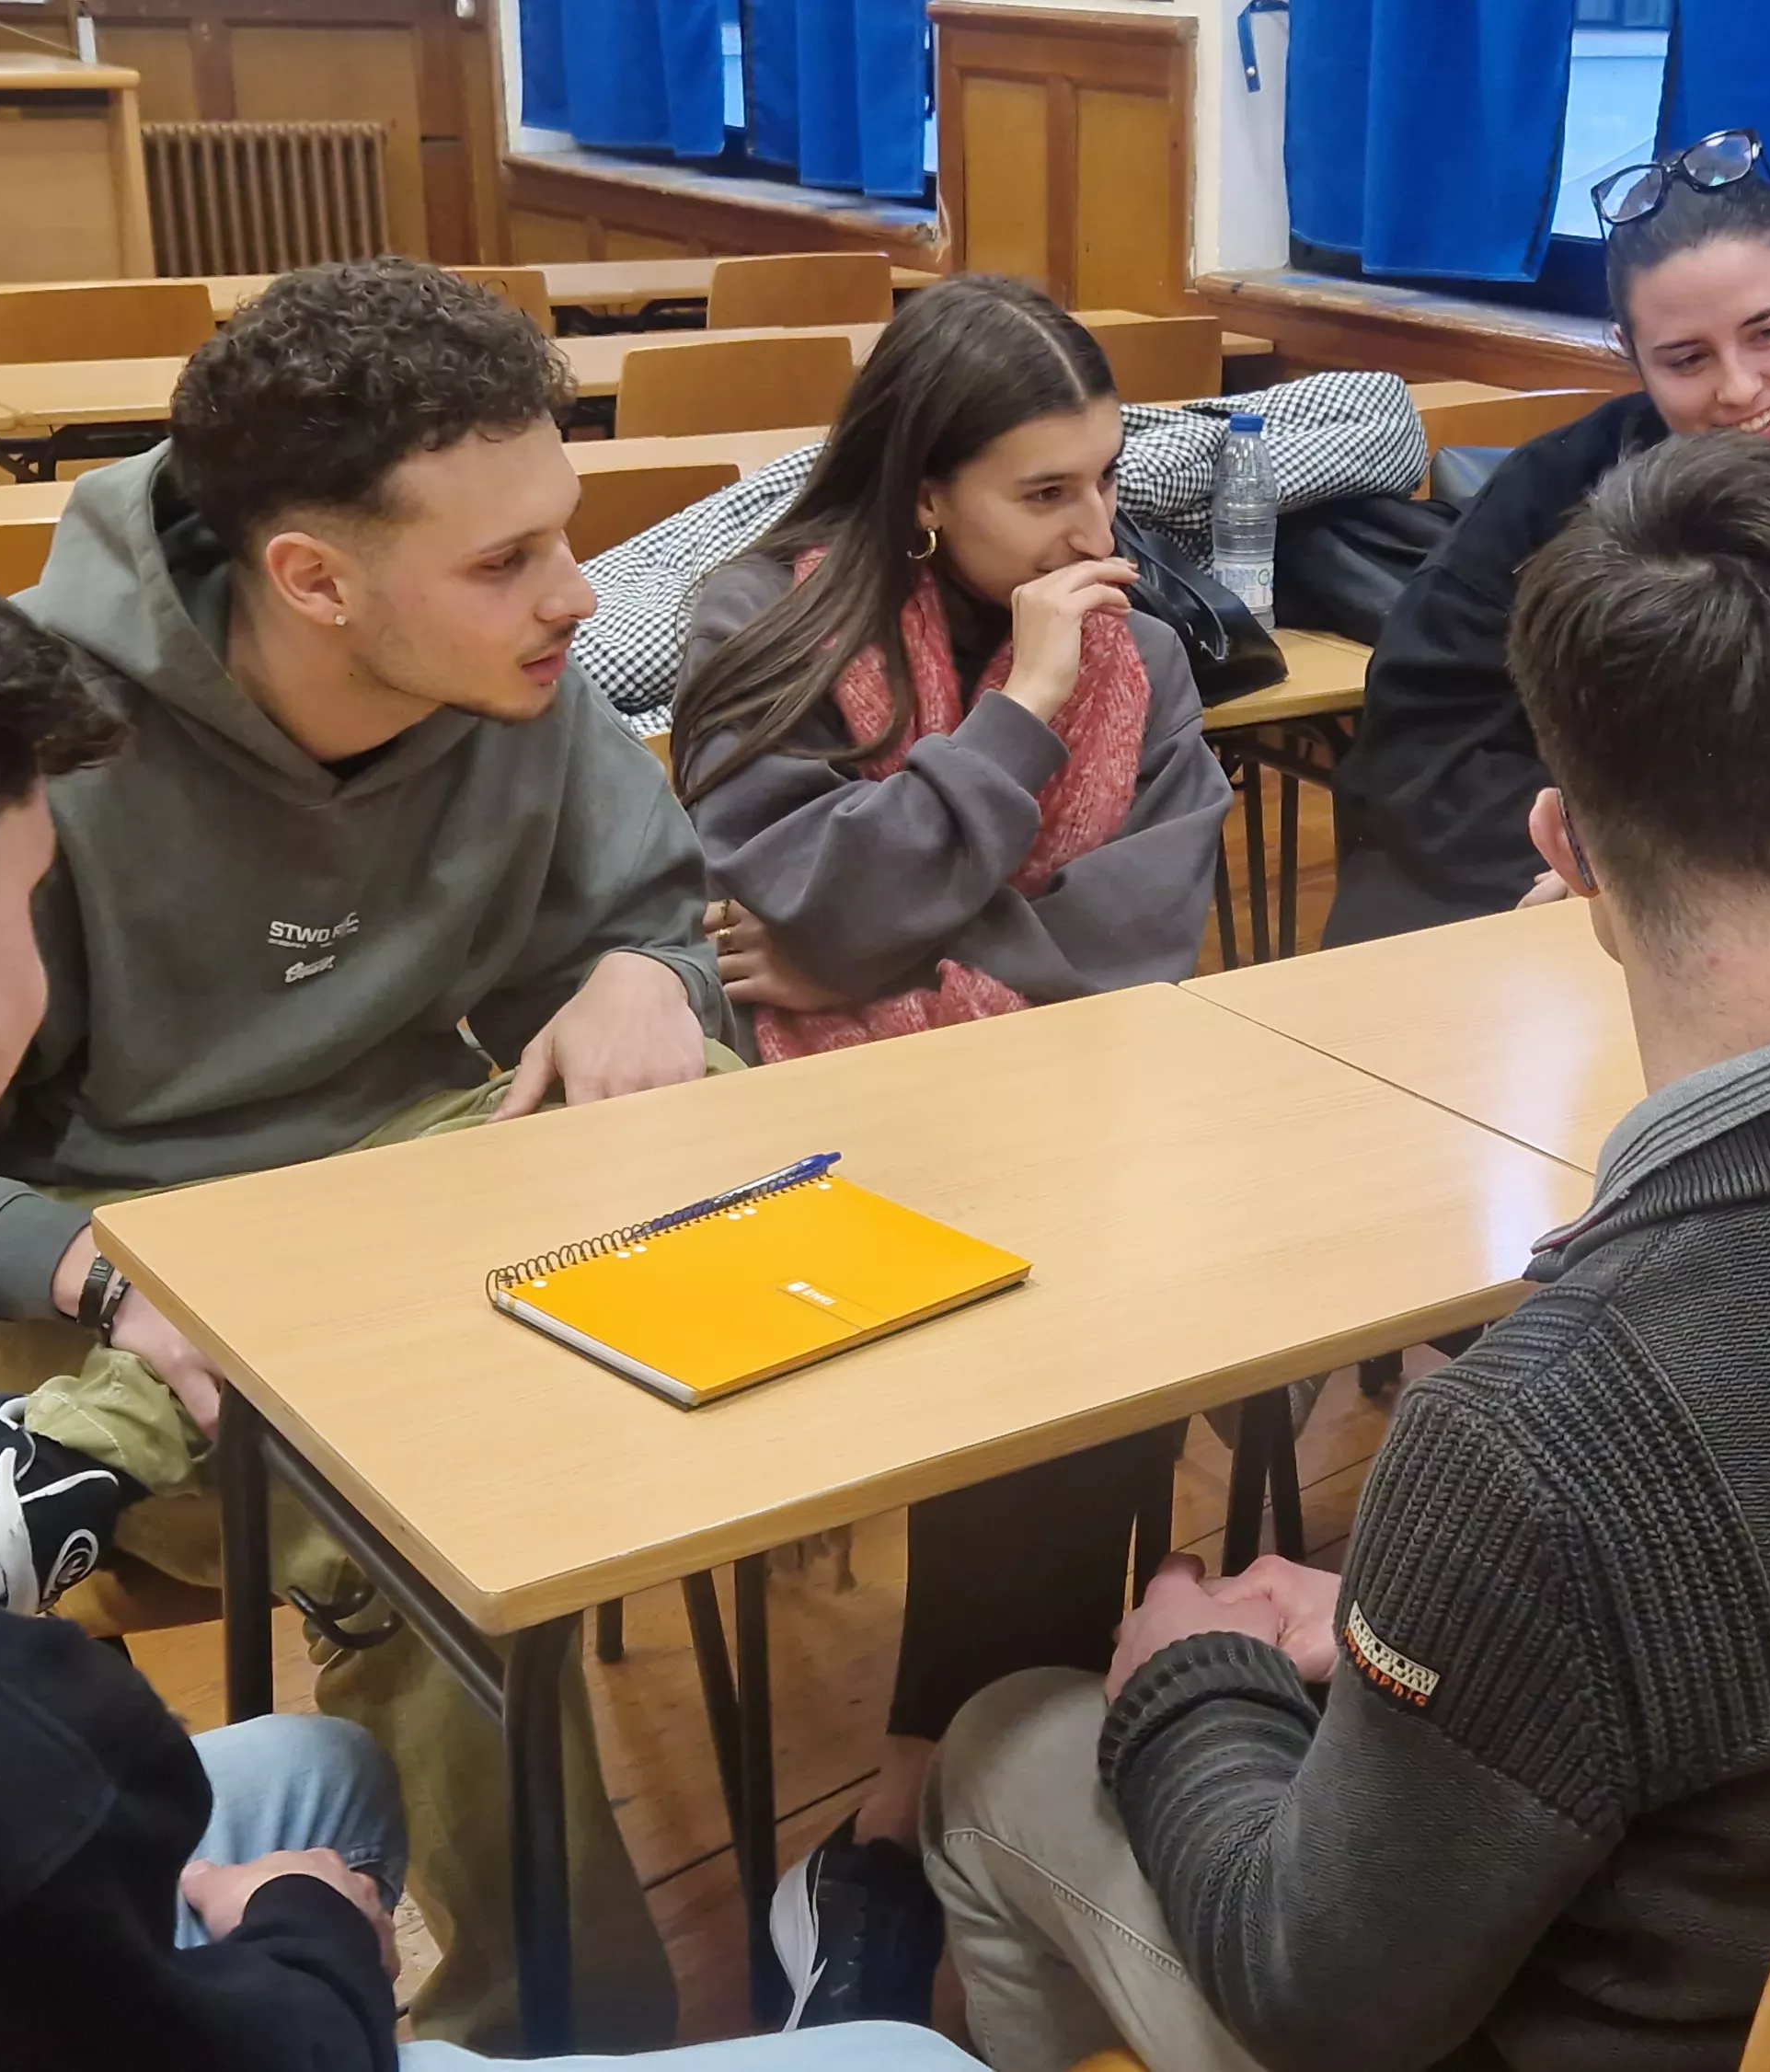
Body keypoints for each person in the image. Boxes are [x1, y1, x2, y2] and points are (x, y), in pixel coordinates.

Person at [0, 433, 979, 2072]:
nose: (569, 595)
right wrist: (311, 1933)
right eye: (24, 891)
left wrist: (643, 972)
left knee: (321, 1774)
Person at [922, 432, 1770, 2072]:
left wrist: (1188, 1679)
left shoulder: (1542, 1432)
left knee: (1004, 1747)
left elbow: (1316, 1994)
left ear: (1571, 858)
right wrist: (1440, 1630)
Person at [0, 258, 721, 2049]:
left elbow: (653, 914)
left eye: (564, 531)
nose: (578, 595)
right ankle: (571, 2033)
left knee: (751, 1154)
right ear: (309, 577)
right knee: (425, 1532)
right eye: (505, 560)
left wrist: (645, 969)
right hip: (93, 1259)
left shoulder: (522, 677)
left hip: (409, 1194)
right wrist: (89, 1268)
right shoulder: (10, 742)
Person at [669, 272, 1232, 2028]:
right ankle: (937, 1808)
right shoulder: (756, 624)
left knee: (1089, 1322)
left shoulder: (1146, 655)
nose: (1098, 534)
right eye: (1044, 495)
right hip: (792, 1136)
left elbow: (1147, 927)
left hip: (1054, 1107)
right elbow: (775, 901)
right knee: (1019, 1307)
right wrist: (1016, 722)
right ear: (924, 489)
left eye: (1109, 484)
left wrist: (887, 938)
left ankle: (917, 1807)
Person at [1324, 127, 1770, 942]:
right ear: (1629, 352)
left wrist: (1729, 880)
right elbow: (1422, 735)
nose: (1740, 387)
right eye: (1686, 360)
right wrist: (1597, 874)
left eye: (1767, 332)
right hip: (1550, 889)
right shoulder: (1549, 493)